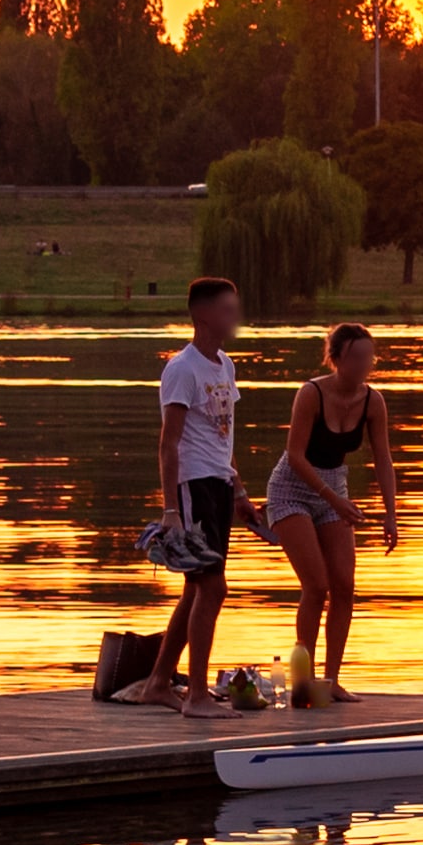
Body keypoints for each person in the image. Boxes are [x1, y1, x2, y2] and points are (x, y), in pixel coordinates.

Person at [260, 323, 405, 706]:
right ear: (337, 358)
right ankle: (302, 682)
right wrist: (332, 499)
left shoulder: (373, 401)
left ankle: (332, 680)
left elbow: (383, 459)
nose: (364, 364)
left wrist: (391, 514)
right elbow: (295, 454)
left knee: (344, 586)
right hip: (292, 488)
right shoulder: (312, 393)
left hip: (334, 489)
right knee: (317, 585)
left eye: (369, 357)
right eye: (357, 357)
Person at [135, 276, 244, 713]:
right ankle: (196, 694)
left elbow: (222, 436)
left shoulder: (224, 365)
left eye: (235, 309)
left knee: (196, 590)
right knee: (212, 589)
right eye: (226, 310)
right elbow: (169, 442)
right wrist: (170, 511)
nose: (233, 318)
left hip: (217, 484)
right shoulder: (182, 369)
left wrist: (238, 489)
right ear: (202, 315)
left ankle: (159, 682)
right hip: (192, 486)